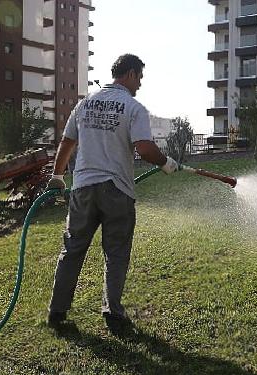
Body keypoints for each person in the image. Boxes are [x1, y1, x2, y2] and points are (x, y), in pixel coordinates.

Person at [45, 54, 179, 335]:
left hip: (82, 188)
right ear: (129, 74)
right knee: (116, 253)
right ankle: (112, 313)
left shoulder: (84, 104)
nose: (140, 84)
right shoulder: (133, 107)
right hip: (117, 190)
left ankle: (57, 312)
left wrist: (57, 176)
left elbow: (67, 142)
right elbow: (144, 148)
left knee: (72, 249)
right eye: (139, 77)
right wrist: (165, 162)